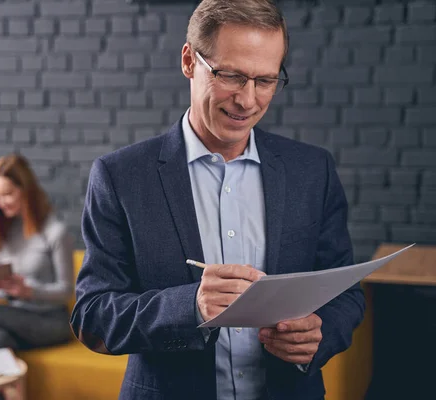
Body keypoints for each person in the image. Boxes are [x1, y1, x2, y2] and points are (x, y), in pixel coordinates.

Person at [70, 1, 365, 399]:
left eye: (266, 80)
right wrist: (189, 306)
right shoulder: (120, 177)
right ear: (189, 61)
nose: (248, 100)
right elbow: (92, 317)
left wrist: (320, 332)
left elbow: (346, 292)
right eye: (231, 76)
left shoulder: (313, 170)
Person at [0, 154, 74, 400]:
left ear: (26, 190)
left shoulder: (55, 232)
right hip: (17, 315)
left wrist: (29, 290)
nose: (1, 203)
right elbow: (3, 289)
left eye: (7, 194)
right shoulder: (5, 230)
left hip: (51, 321)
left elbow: (66, 291)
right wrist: (0, 285)